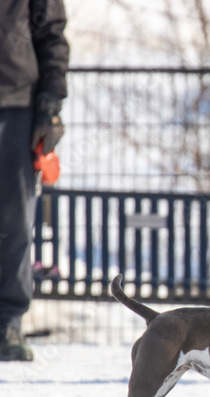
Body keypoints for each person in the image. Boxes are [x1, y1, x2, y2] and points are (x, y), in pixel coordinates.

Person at [0, 0, 69, 362]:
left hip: (15, 106)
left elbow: (51, 34)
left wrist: (50, 104)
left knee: (13, 222)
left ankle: (8, 324)